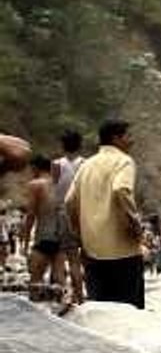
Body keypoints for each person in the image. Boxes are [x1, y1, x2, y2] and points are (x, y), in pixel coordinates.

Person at [64, 119, 145, 310]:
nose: (131, 141)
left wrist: (78, 232)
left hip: (92, 251)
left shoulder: (87, 165)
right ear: (116, 138)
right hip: (123, 251)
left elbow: (69, 201)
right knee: (129, 313)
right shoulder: (124, 161)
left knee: (100, 311)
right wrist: (135, 223)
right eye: (128, 136)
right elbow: (121, 189)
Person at [21, 155, 65, 302]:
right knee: (59, 281)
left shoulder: (35, 185)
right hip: (61, 238)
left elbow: (31, 215)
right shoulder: (61, 185)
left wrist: (25, 242)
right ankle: (59, 317)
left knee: (36, 281)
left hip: (43, 237)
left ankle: (36, 319)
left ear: (35, 168)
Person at [52, 129, 85, 304]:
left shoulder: (56, 165)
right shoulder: (85, 164)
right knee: (81, 259)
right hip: (82, 213)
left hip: (62, 214)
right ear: (80, 145)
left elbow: (53, 191)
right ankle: (81, 296)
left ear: (62, 145)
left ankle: (64, 296)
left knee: (65, 256)